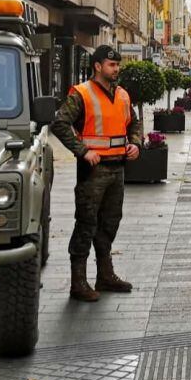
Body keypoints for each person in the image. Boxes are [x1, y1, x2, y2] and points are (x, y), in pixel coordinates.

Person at [50, 45, 142, 301]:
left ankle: (105, 275)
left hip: (117, 169)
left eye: (118, 65)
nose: (117, 69)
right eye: (112, 65)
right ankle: (78, 282)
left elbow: (133, 122)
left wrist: (135, 142)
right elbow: (59, 123)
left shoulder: (122, 94)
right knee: (86, 223)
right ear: (98, 66)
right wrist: (82, 151)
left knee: (110, 222)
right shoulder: (81, 93)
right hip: (93, 170)